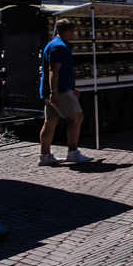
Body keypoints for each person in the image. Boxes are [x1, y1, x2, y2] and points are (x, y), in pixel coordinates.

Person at [38, 19, 92, 166]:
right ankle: (73, 153)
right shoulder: (60, 47)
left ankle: (45, 156)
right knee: (77, 118)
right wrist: (55, 91)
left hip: (56, 89)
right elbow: (53, 71)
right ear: (70, 31)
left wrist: (68, 88)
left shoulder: (52, 44)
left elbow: (57, 71)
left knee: (50, 122)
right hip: (59, 90)